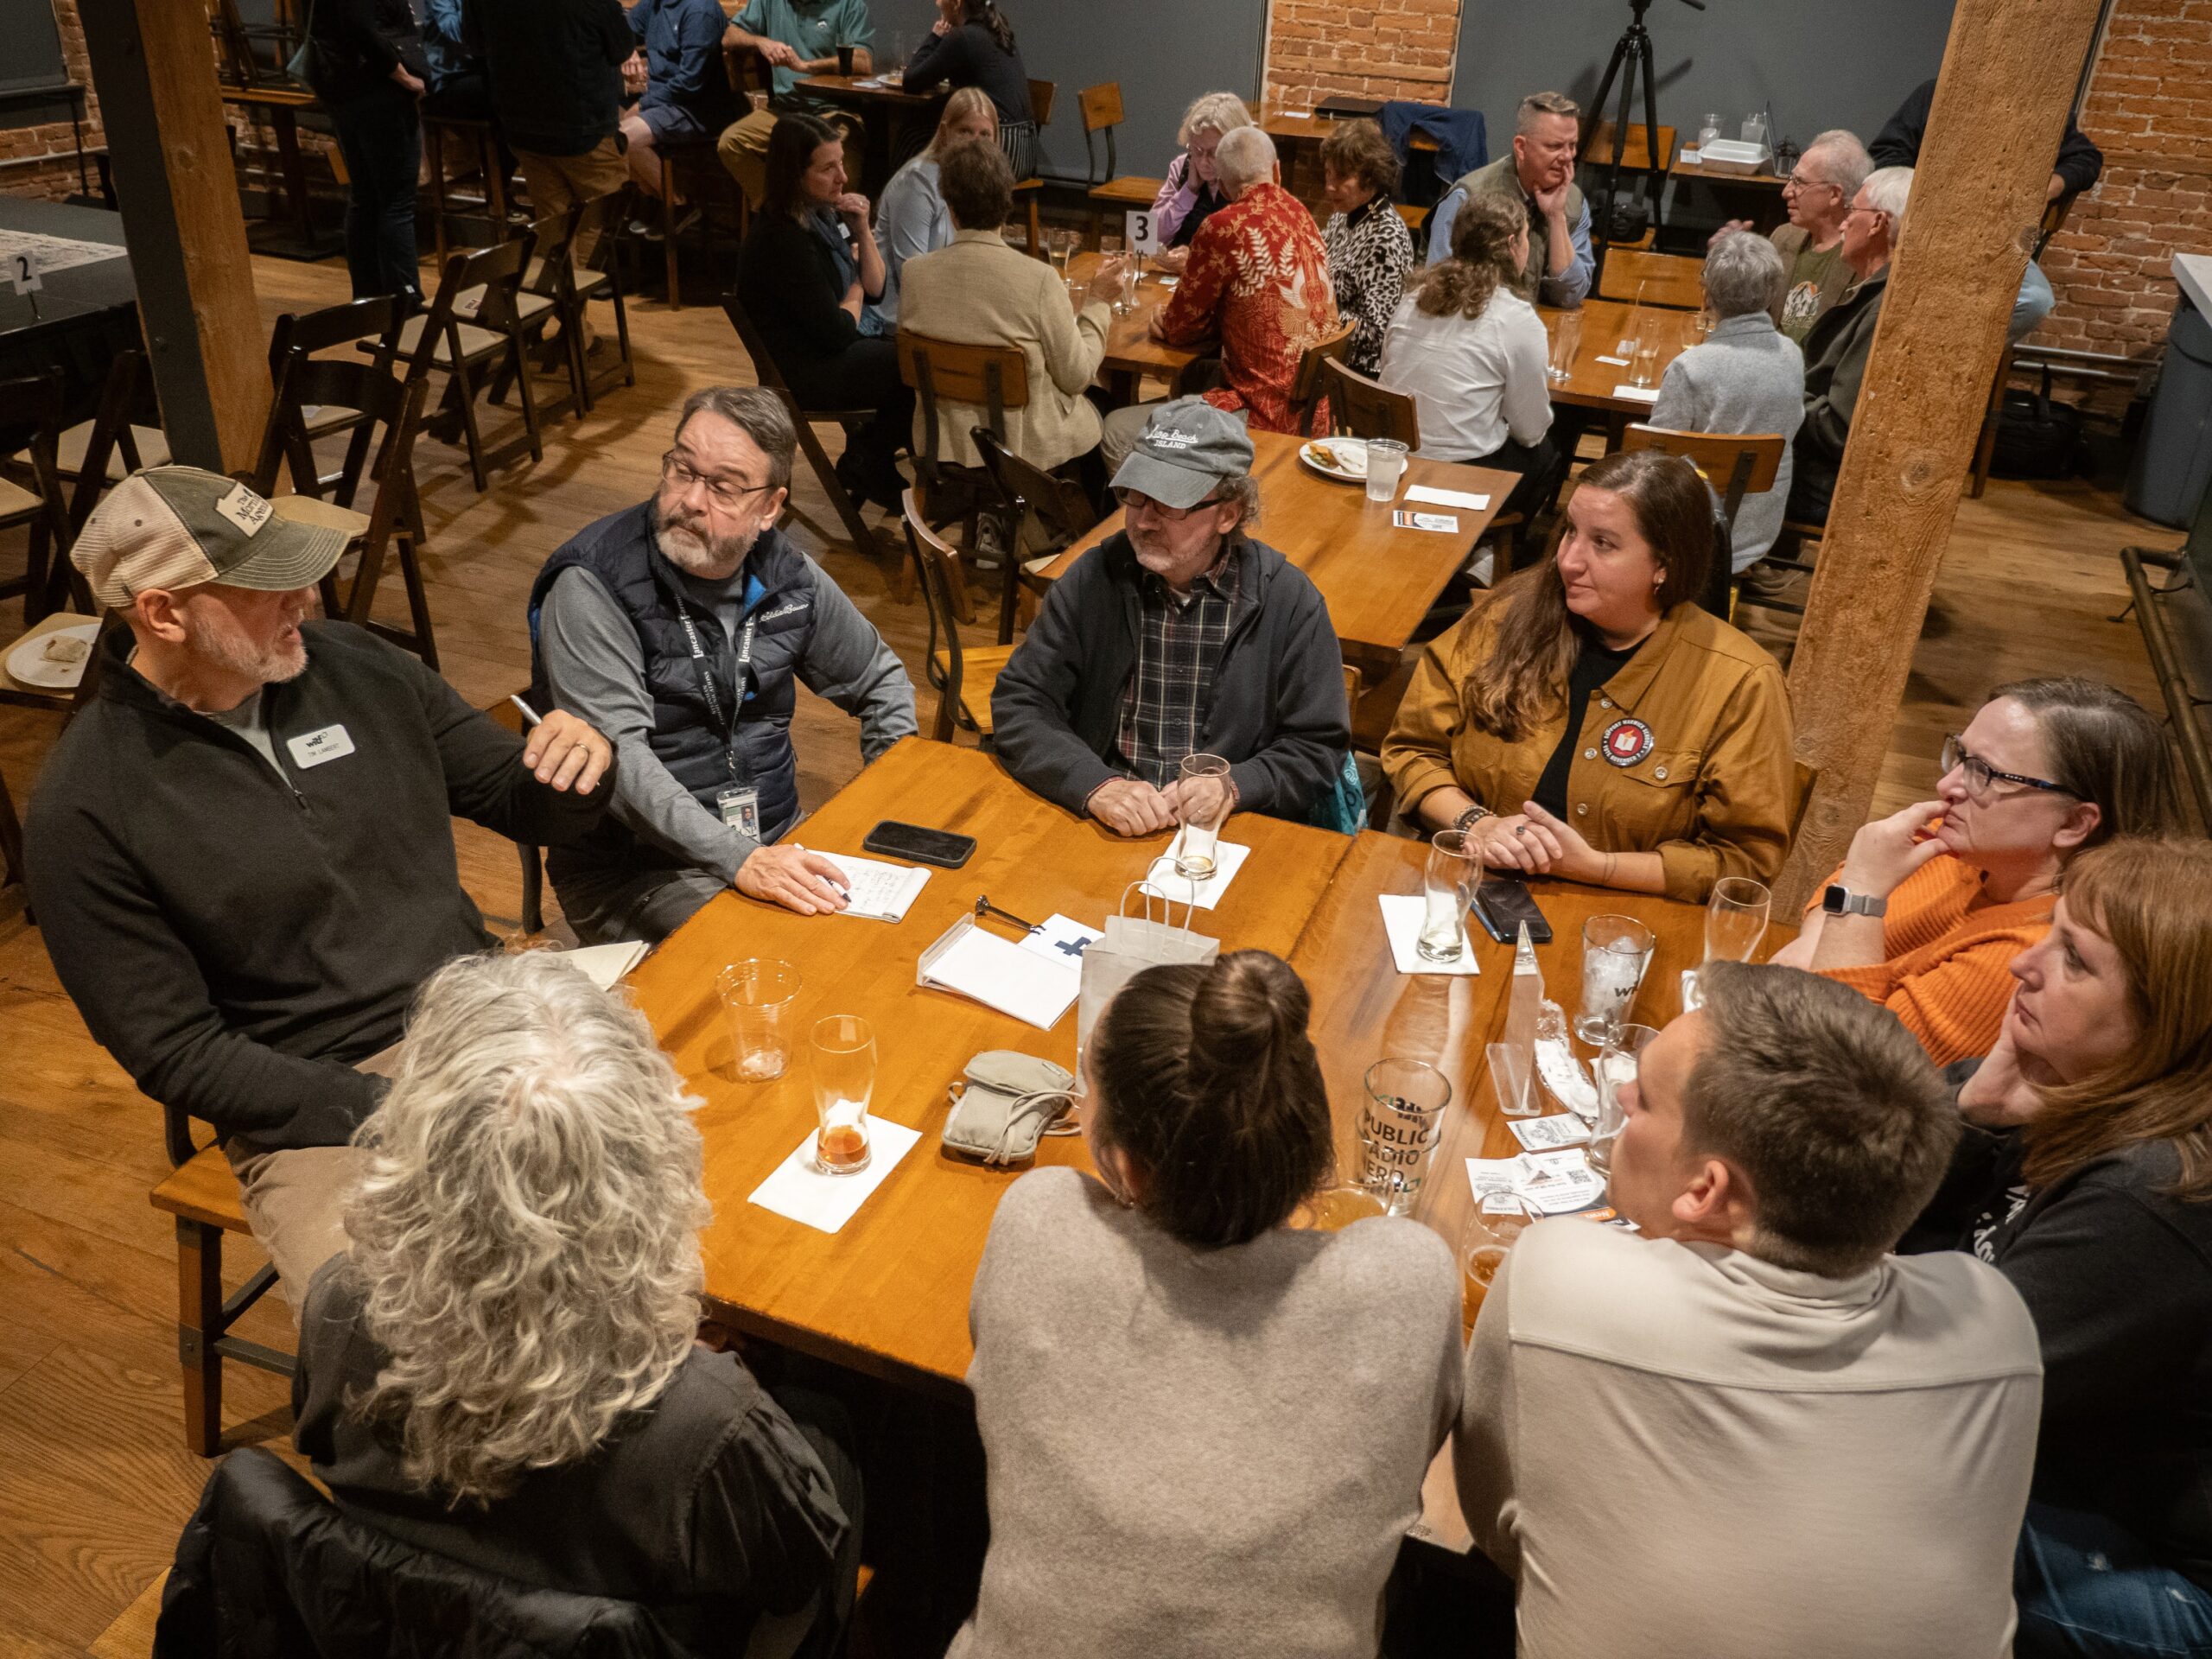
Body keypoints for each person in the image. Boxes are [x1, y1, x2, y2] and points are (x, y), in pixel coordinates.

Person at [25, 467, 613, 1296]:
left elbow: (512, 798)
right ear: (163, 612)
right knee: (399, 1323)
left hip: (484, 1010)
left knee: (667, 1197)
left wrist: (576, 767)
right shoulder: (86, 808)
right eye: (265, 584)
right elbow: (177, 1053)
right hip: (313, 1105)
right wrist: (387, 1106)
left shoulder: (358, 667)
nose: (303, 594)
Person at [1458, 960, 2043, 1659]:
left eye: (1641, 1098)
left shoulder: (1555, 1279)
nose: (1617, 1093)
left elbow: (1493, 1531)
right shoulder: (1997, 1322)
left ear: (1706, 1191)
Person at [292, 951, 860, 1652]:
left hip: (400, 1632)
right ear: (653, 1159)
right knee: (830, 1428)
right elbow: (794, 1568)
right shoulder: (708, 1423)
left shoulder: (335, 1307)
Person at [950, 950, 1462, 1659]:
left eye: (1088, 1086)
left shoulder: (1038, 1222)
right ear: (1309, 1135)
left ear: (1126, 1164)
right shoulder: (1412, 1279)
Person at [1904, 836, 2212, 1659]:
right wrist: (1969, 1114)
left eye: (2074, 960)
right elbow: (1879, 1236)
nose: (2022, 967)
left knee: (1814, 1496)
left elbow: (1922, 1383)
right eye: (2050, 930)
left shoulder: (2151, 1197)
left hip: (2163, 1577)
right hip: (2038, 1470)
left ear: (2165, 1023)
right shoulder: (2060, 1083)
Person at [531, 387, 916, 942]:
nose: (690, 499)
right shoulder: (593, 587)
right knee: (791, 962)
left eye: (724, 487)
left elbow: (880, 680)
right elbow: (621, 761)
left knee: (896, 938)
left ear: (770, 507)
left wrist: (881, 802)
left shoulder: (790, 577)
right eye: (681, 470)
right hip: (640, 873)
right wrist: (740, 859)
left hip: (776, 839)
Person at [1381, 449, 1794, 903]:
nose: (1569, 561)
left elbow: (1744, 862)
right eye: (1570, 532)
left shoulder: (1742, 682)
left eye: (1603, 544)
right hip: (1469, 888)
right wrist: (1478, 823)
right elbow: (1413, 749)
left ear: (1665, 565)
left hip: (1623, 924)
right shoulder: (1507, 617)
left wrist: (1597, 867)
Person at [1770, 677, 2177, 1065]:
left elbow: (1837, 1065)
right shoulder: (1969, 847)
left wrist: (1859, 899)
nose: (1948, 785)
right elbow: (1841, 885)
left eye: (1986, 773)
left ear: (2073, 824)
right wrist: (1817, 945)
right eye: (1961, 756)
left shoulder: (2030, 959)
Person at [992, 398, 1350, 836]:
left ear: (1228, 513)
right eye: (1136, 496)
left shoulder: (1288, 601)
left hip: (1230, 832)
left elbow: (1317, 746)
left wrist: (1235, 786)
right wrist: (1096, 784)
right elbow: (1021, 703)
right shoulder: (1093, 580)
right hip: (1103, 823)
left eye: (1169, 505)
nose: (1144, 521)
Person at [1100, 127, 1337, 469]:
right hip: (1316, 415)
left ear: (1223, 187)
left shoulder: (1222, 226)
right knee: (1194, 378)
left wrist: (1165, 319)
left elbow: (1181, 329)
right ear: (1277, 171)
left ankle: (1157, 516)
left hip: (1263, 416)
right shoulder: (1303, 214)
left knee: (1117, 430)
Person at [898, 140, 1128, 492]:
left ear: (950, 208)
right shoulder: (1038, 279)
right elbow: (1077, 376)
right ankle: (1085, 533)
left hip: (943, 443)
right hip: (1022, 451)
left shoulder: (914, 274)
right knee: (1103, 406)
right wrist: (1098, 302)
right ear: (1008, 205)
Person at [736, 112, 912, 510]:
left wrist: (864, 229)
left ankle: (869, 457)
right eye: (829, 167)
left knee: (917, 356)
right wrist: (853, 287)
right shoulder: (783, 238)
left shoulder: (825, 217)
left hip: (828, 350)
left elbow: (878, 287)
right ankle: (870, 461)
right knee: (915, 365)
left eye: (842, 163)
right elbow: (837, 329)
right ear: (795, 174)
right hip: (803, 372)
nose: (843, 177)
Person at [1872, 76, 2104, 340]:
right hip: (1918, 232)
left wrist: (2046, 189)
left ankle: (1948, 350)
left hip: (1991, 242)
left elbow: (2086, 157)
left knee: (2034, 301)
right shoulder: (1939, 92)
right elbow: (1887, 154)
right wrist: (1924, 200)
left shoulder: (2040, 106)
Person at [1376, 193, 1554, 518]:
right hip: (1464, 475)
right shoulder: (1517, 318)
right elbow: (1530, 432)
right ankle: (1488, 556)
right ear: (1513, 244)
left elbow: (1388, 372)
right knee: (1546, 454)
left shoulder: (1413, 298)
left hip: (1393, 460)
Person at [1649, 232, 1805, 574]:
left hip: (1693, 530)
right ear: (1771, 293)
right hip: (1761, 525)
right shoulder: (1793, 355)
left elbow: (1655, 460)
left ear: (1706, 293)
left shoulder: (1690, 367)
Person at [1783, 164, 1912, 527]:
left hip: (1825, 483)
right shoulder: (1876, 292)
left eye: (1852, 213)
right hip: (1817, 466)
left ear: (1877, 224)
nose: (1842, 225)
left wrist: (1778, 391)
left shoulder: (1885, 307)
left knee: (1702, 471)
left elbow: (1838, 429)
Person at [468, 0, 632, 271]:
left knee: (553, 227)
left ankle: (570, 308)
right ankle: (575, 301)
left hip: (523, 125)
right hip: (584, 126)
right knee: (598, 223)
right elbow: (622, 48)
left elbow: (475, 45)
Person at [301, 0, 430, 310]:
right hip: (378, 95)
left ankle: (369, 299)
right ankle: (405, 302)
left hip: (346, 94)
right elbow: (362, 29)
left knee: (366, 197)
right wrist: (404, 77)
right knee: (397, 203)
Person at [1427, 91, 1592, 308]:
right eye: (1554, 146)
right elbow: (1438, 288)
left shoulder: (1574, 202)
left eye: (1572, 145)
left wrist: (1556, 217)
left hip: (1534, 331)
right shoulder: (1468, 198)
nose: (1567, 157)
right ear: (1521, 147)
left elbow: (1570, 296)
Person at [1712, 129, 1872, 345]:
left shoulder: (1862, 259)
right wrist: (1729, 260)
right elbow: (1742, 314)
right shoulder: (1783, 236)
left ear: (1834, 194)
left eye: (1799, 183)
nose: (1786, 192)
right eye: (1791, 180)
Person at [715, 0, 873, 209]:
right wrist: (761, 42)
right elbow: (729, 36)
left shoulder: (849, 5)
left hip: (833, 110)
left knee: (836, 166)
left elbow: (863, 61)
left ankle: (821, 226)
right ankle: (781, 213)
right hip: (785, 110)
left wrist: (806, 66)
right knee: (732, 143)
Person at [869, 86, 998, 331]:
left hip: (950, 306)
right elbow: (914, 276)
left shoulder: (982, 183)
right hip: (898, 321)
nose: (975, 144)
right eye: (965, 131)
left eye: (985, 135)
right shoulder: (917, 183)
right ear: (944, 132)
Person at [618, 0, 744, 210]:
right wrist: (628, 51)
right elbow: (620, 31)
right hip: (665, 102)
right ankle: (658, 198)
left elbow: (690, 84)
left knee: (621, 139)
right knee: (600, 130)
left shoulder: (699, 11)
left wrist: (642, 106)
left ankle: (676, 206)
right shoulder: (655, 4)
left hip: (698, 109)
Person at [1317, 118, 1414, 376]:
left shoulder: (1386, 238)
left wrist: (1320, 310)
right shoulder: (1344, 213)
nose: (1329, 186)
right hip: (1330, 353)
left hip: (1357, 374)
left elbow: (1378, 333)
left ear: (1370, 177)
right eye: (1328, 173)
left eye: (1341, 178)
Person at [900, 0, 1037, 180]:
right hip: (1025, 151)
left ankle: (912, 204)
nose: (937, 3)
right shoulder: (997, 32)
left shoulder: (963, 37)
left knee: (912, 136)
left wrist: (935, 36)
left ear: (957, 4)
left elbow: (911, 81)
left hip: (997, 152)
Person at [1149, 90, 1259, 269]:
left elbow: (1253, 253)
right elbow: (1152, 237)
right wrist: (1188, 192)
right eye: (1197, 150)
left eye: (1213, 153)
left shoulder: (1251, 177)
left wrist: (1196, 262)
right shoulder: (1181, 168)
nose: (1203, 162)